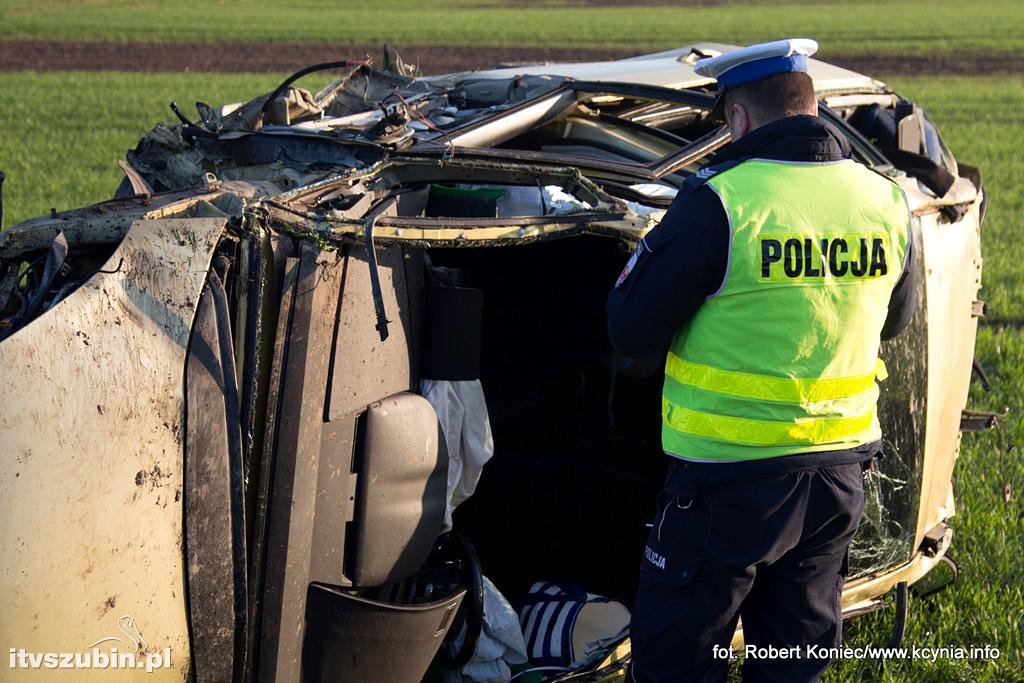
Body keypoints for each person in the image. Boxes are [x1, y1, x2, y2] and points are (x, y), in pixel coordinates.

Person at [606, 39, 916, 683]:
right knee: (793, 659)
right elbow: (898, 321)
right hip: (836, 475)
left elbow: (629, 330)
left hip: (727, 482)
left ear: (740, 119)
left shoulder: (721, 201)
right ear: (812, 106)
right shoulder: (885, 200)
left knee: (679, 661)